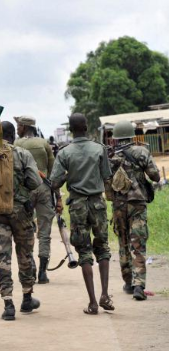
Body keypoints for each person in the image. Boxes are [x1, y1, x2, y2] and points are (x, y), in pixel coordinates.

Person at [50, 113, 114, 315]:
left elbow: (54, 183)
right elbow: (107, 178)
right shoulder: (99, 149)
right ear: (86, 127)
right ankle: (105, 294)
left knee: (84, 251)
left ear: (70, 129)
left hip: (77, 205)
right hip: (97, 204)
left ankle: (93, 303)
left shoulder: (64, 153)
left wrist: (71, 175)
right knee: (102, 247)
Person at [0, 121, 42, 321]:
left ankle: (8, 303)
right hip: (21, 212)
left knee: (3, 258)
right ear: (12, 135)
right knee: (25, 254)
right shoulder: (22, 154)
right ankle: (27, 297)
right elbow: (35, 181)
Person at [107, 120, 160, 300]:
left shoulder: (110, 155)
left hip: (118, 205)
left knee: (123, 243)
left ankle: (128, 282)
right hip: (137, 204)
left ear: (115, 137)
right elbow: (155, 175)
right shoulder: (141, 152)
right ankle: (139, 285)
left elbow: (106, 182)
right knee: (138, 244)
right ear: (131, 134)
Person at [14, 116, 62, 284]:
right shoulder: (44, 144)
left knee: (26, 230)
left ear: (25, 127)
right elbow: (54, 174)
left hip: (25, 191)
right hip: (44, 190)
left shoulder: (17, 145)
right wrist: (59, 198)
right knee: (44, 232)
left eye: (18, 126)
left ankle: (31, 265)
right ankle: (42, 272)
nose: (17, 129)